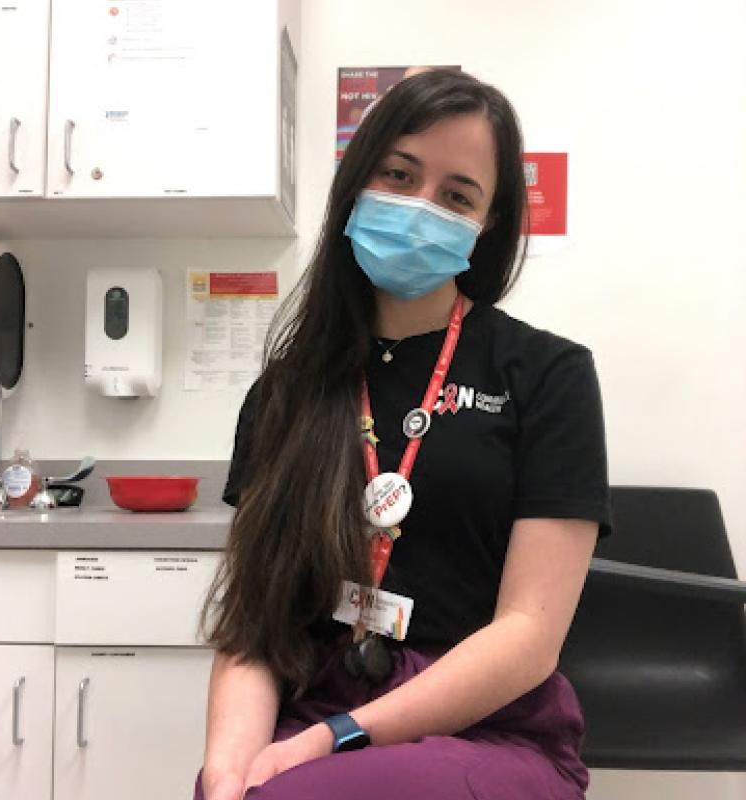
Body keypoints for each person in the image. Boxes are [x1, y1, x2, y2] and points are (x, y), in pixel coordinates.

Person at [194, 68, 611, 800]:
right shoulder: (287, 391)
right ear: (357, 183)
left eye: (456, 195)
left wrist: (335, 739)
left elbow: (528, 637)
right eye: (399, 174)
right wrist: (227, 771)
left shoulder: (548, 375)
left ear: (486, 226)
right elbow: (255, 627)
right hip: (317, 699)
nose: (422, 206)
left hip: (491, 723)